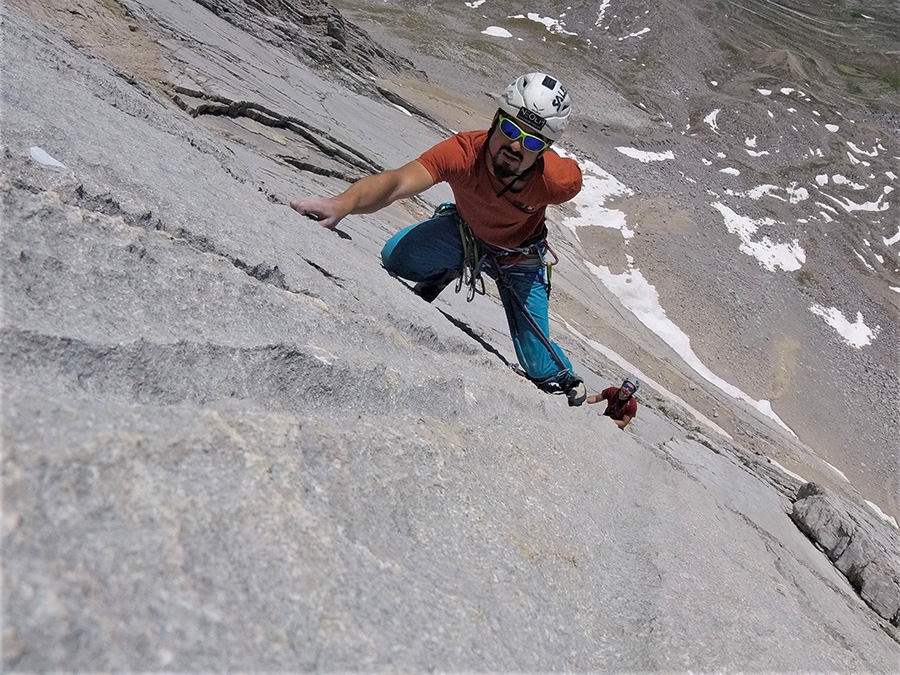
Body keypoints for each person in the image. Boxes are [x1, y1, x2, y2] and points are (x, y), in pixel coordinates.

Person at [291, 72, 587, 406]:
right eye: (510, 129)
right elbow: (398, 181)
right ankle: (447, 266)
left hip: (519, 260)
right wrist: (342, 204)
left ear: (544, 150)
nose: (516, 146)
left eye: (533, 142)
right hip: (466, 234)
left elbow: (573, 174)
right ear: (496, 119)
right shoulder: (463, 153)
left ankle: (564, 375)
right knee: (395, 257)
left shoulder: (559, 181)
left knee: (539, 365)